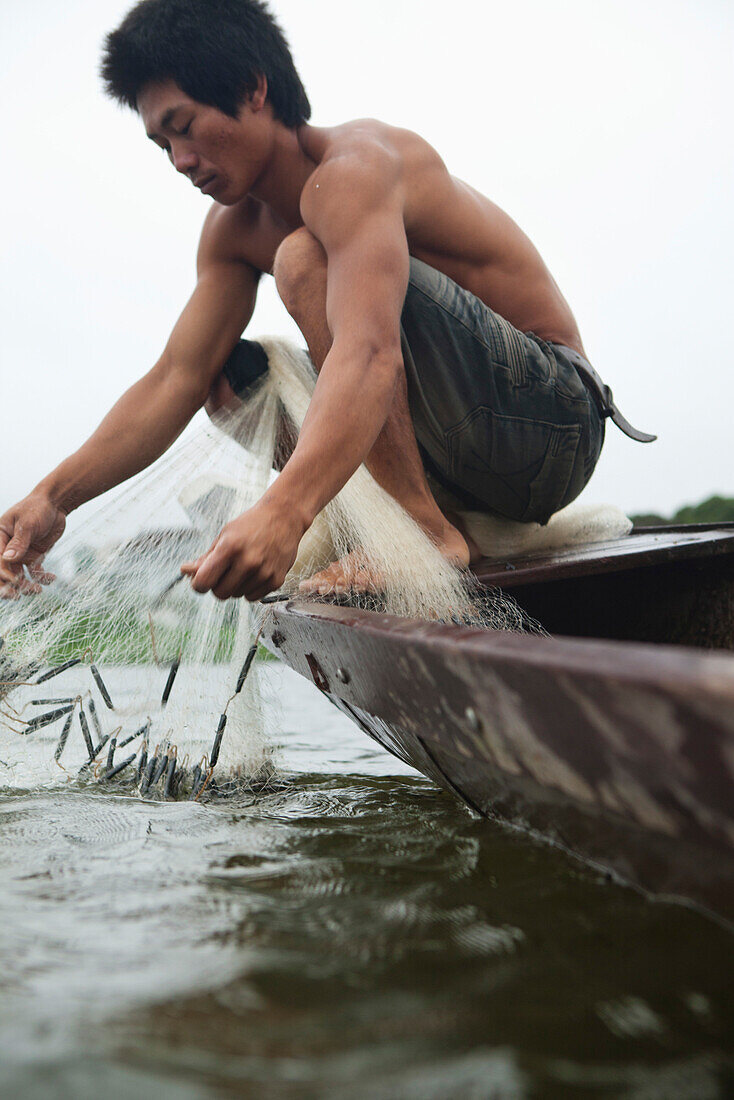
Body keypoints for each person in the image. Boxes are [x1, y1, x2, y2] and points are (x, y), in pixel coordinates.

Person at [0, 0, 653, 604]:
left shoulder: (357, 167)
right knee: (226, 377)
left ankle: (423, 534)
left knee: (304, 259)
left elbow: (369, 354)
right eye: (162, 144)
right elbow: (176, 377)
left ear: (254, 89)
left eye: (184, 127)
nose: (178, 160)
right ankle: (409, 527)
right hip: (451, 454)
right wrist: (52, 497)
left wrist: (285, 512)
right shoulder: (232, 233)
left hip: (550, 425)